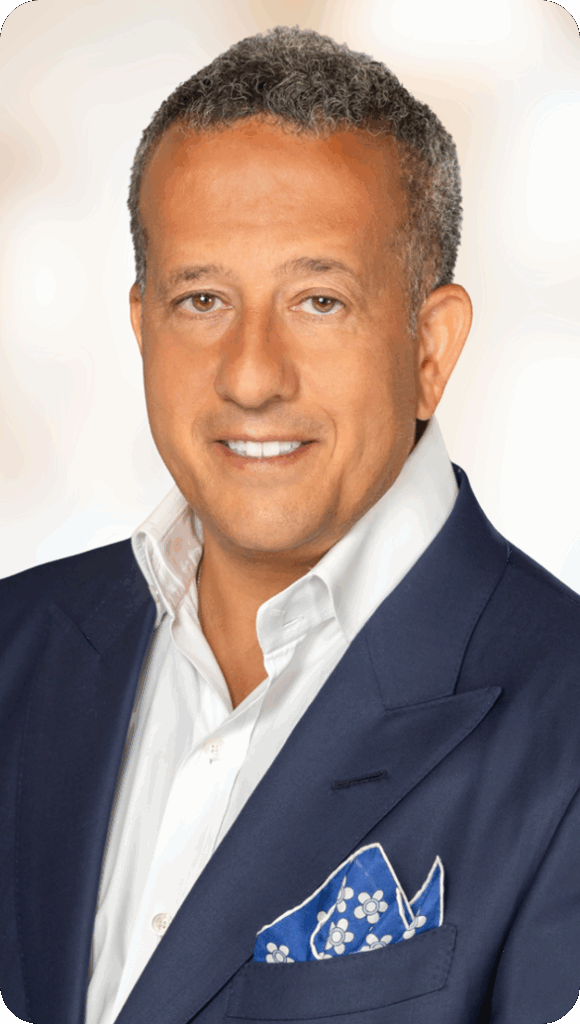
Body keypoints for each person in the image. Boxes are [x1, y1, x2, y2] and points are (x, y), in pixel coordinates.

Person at [1, 24, 579, 1024]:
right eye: (201, 299)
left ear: (431, 347)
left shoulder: (562, 721)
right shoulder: (15, 645)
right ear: (141, 328)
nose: (251, 375)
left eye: (318, 299)